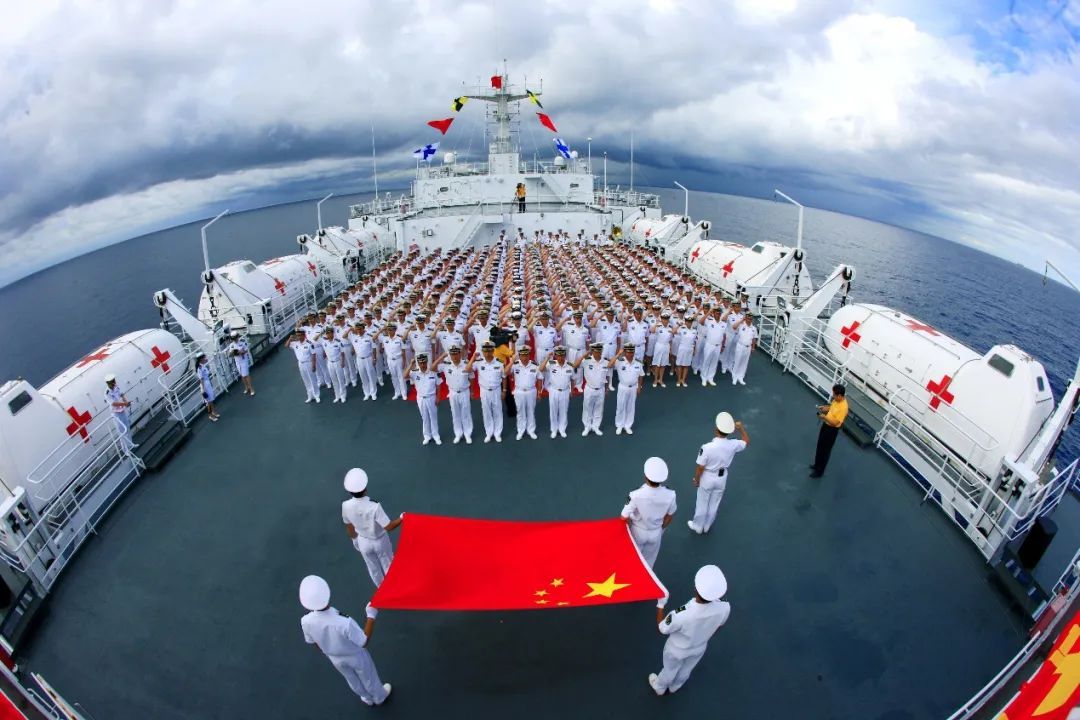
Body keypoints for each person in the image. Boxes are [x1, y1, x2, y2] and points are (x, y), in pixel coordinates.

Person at [299, 575, 392, 706]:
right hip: (355, 655)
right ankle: (379, 697)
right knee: (368, 677)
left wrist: (328, 650)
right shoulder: (344, 622)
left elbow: (314, 642)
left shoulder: (305, 621)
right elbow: (363, 641)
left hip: (334, 658)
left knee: (352, 680)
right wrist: (371, 615)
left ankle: (366, 698)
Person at [649, 565, 731, 696]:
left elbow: (662, 628)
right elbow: (719, 626)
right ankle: (676, 686)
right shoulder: (725, 607)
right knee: (686, 669)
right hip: (699, 647)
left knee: (670, 670)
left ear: (695, 588)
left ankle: (659, 687)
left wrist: (661, 604)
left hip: (676, 650)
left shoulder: (681, 614)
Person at [688, 412, 749, 535]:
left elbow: (700, 467)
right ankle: (707, 526)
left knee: (702, 502)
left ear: (716, 429)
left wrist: (696, 480)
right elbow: (746, 441)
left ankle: (698, 526)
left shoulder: (707, 447)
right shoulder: (733, 444)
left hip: (707, 477)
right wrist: (741, 428)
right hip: (722, 478)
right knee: (714, 503)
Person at [341, 469, 403, 587]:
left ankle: (381, 589)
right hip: (380, 541)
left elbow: (349, 527)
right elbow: (389, 526)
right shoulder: (374, 506)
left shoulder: (345, 506)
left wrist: (355, 540)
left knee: (373, 569)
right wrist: (401, 518)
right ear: (365, 489)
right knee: (389, 565)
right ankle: (394, 588)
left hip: (363, 541)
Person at [621, 457, 677, 567]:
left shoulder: (636, 494)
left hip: (637, 531)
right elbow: (670, 516)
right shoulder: (671, 495)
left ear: (645, 476)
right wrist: (660, 528)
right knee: (649, 563)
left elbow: (624, 517)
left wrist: (629, 532)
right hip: (655, 532)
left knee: (632, 559)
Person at [467, 341, 506, 443]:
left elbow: (504, 377)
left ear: (493, 351)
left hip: (496, 390)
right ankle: (489, 433)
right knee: (486, 412)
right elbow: (467, 370)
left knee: (497, 411)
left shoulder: (500, 362)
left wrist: (504, 390)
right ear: (483, 352)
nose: (487, 353)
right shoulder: (479, 362)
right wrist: (473, 358)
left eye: (489, 351)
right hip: (484, 391)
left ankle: (497, 433)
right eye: (485, 351)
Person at [435, 347, 474, 444]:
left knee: (466, 413)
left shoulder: (466, 364)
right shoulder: (446, 365)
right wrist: (442, 356)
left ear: (460, 354)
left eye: (456, 354)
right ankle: (458, 434)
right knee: (455, 414)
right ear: (450, 355)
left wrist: (472, 391)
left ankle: (467, 434)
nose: (454, 356)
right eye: (452, 354)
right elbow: (432, 368)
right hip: (452, 393)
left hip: (464, 392)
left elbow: (472, 377)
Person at [403, 353, 442, 446]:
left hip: (431, 397)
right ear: (418, 363)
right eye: (420, 363)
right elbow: (404, 376)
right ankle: (427, 436)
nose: (423, 364)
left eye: (424, 362)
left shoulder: (433, 372)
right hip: (421, 398)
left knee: (433, 417)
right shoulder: (415, 372)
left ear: (427, 362)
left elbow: (438, 385)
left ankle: (436, 435)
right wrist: (411, 364)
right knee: (424, 418)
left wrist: (438, 397)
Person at [811, 384, 848, 478]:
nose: (833, 396)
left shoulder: (843, 407)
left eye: (834, 395)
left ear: (840, 395)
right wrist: (824, 408)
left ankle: (819, 472)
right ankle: (816, 465)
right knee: (820, 446)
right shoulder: (836, 400)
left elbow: (836, 423)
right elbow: (831, 408)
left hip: (832, 430)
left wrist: (824, 417)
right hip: (826, 426)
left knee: (825, 451)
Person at [572, 342, 608, 436]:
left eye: (600, 351)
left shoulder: (605, 362)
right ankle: (587, 427)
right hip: (589, 389)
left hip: (600, 389)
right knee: (587, 408)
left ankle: (596, 426)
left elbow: (607, 376)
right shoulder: (586, 361)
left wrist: (607, 388)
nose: (598, 353)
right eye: (596, 351)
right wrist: (585, 354)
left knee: (599, 408)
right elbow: (575, 365)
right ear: (593, 351)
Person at [610, 343, 646, 435]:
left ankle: (628, 425)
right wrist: (618, 354)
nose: (630, 354)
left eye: (632, 352)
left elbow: (641, 375)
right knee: (620, 407)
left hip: (633, 388)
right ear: (625, 352)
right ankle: (619, 425)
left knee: (630, 407)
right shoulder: (620, 361)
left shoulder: (638, 362)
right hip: (623, 387)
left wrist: (639, 387)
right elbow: (609, 365)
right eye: (628, 352)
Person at [508, 345, 541, 440]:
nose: (524, 357)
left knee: (531, 411)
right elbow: (505, 372)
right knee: (520, 411)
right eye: (522, 355)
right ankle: (521, 430)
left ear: (529, 355)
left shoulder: (535, 365)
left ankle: (531, 430)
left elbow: (539, 378)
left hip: (531, 391)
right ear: (519, 355)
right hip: (519, 391)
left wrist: (539, 392)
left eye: (526, 355)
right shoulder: (515, 364)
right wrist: (512, 361)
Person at [540, 346, 573, 438]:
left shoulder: (570, 365)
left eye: (562, 355)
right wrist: (547, 358)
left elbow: (572, 379)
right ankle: (554, 430)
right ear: (556, 356)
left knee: (563, 411)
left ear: (565, 355)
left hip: (565, 391)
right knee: (553, 411)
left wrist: (571, 390)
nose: (560, 357)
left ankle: (562, 429)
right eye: (558, 355)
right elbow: (541, 369)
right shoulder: (551, 364)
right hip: (554, 391)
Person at [104, 373, 140, 446]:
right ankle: (125, 449)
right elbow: (113, 403)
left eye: (114, 381)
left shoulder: (116, 387)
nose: (114, 383)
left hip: (122, 411)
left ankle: (130, 444)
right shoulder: (107, 393)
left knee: (127, 427)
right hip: (116, 414)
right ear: (108, 383)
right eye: (112, 382)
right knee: (121, 431)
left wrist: (126, 402)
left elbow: (121, 394)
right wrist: (125, 404)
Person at [287, 331, 319, 403]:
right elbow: (286, 346)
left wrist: (313, 365)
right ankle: (310, 396)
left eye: (299, 335)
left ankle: (316, 395)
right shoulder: (295, 343)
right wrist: (289, 339)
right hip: (301, 364)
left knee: (312, 380)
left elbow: (313, 354)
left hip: (308, 363)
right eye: (297, 335)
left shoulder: (309, 343)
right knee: (306, 381)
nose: (298, 337)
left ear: (303, 335)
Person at [729, 312, 758, 386]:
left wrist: (753, 347)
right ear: (746, 318)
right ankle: (734, 377)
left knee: (744, 363)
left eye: (750, 318)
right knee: (737, 361)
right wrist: (742, 320)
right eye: (748, 318)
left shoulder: (754, 328)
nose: (749, 319)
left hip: (748, 348)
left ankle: (741, 377)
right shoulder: (741, 325)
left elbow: (754, 338)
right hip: (740, 346)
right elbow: (734, 327)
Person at [321, 327, 348, 404]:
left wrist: (342, 362)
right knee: (334, 380)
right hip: (330, 363)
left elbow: (342, 353)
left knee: (340, 379)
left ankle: (343, 396)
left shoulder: (338, 342)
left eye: (330, 333)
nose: (328, 334)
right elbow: (316, 340)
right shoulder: (324, 342)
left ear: (333, 333)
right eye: (327, 333)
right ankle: (337, 396)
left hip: (337, 362)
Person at [227, 331, 255, 396]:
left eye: (235, 337)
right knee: (242, 375)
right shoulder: (231, 345)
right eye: (233, 338)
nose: (235, 339)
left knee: (246, 375)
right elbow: (230, 355)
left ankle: (251, 389)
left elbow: (246, 350)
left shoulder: (242, 342)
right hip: (237, 362)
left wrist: (240, 352)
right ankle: (246, 387)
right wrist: (235, 352)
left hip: (243, 361)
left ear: (238, 337)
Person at [194, 355, 220, 422]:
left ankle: (213, 411)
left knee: (211, 399)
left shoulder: (203, 366)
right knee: (208, 402)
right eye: (204, 358)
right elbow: (201, 379)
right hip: (205, 386)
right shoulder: (199, 368)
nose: (205, 359)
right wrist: (203, 390)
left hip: (207, 383)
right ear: (201, 359)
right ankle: (210, 416)